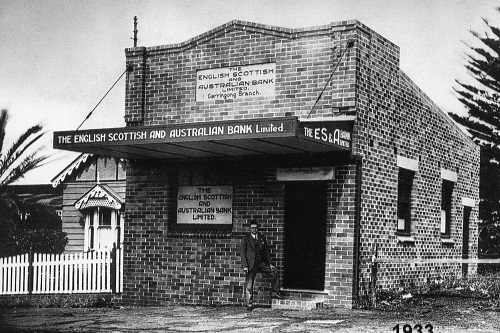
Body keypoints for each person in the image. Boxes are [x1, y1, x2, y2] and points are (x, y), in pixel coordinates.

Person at [240, 219, 282, 311]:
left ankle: (274, 292)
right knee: (249, 285)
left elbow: (266, 252)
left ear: (257, 228)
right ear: (250, 228)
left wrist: (270, 263)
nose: (254, 230)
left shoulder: (262, 238)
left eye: (256, 228)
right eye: (252, 228)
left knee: (274, 271)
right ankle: (250, 304)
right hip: (251, 265)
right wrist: (245, 266)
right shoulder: (246, 239)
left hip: (261, 263)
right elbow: (242, 253)